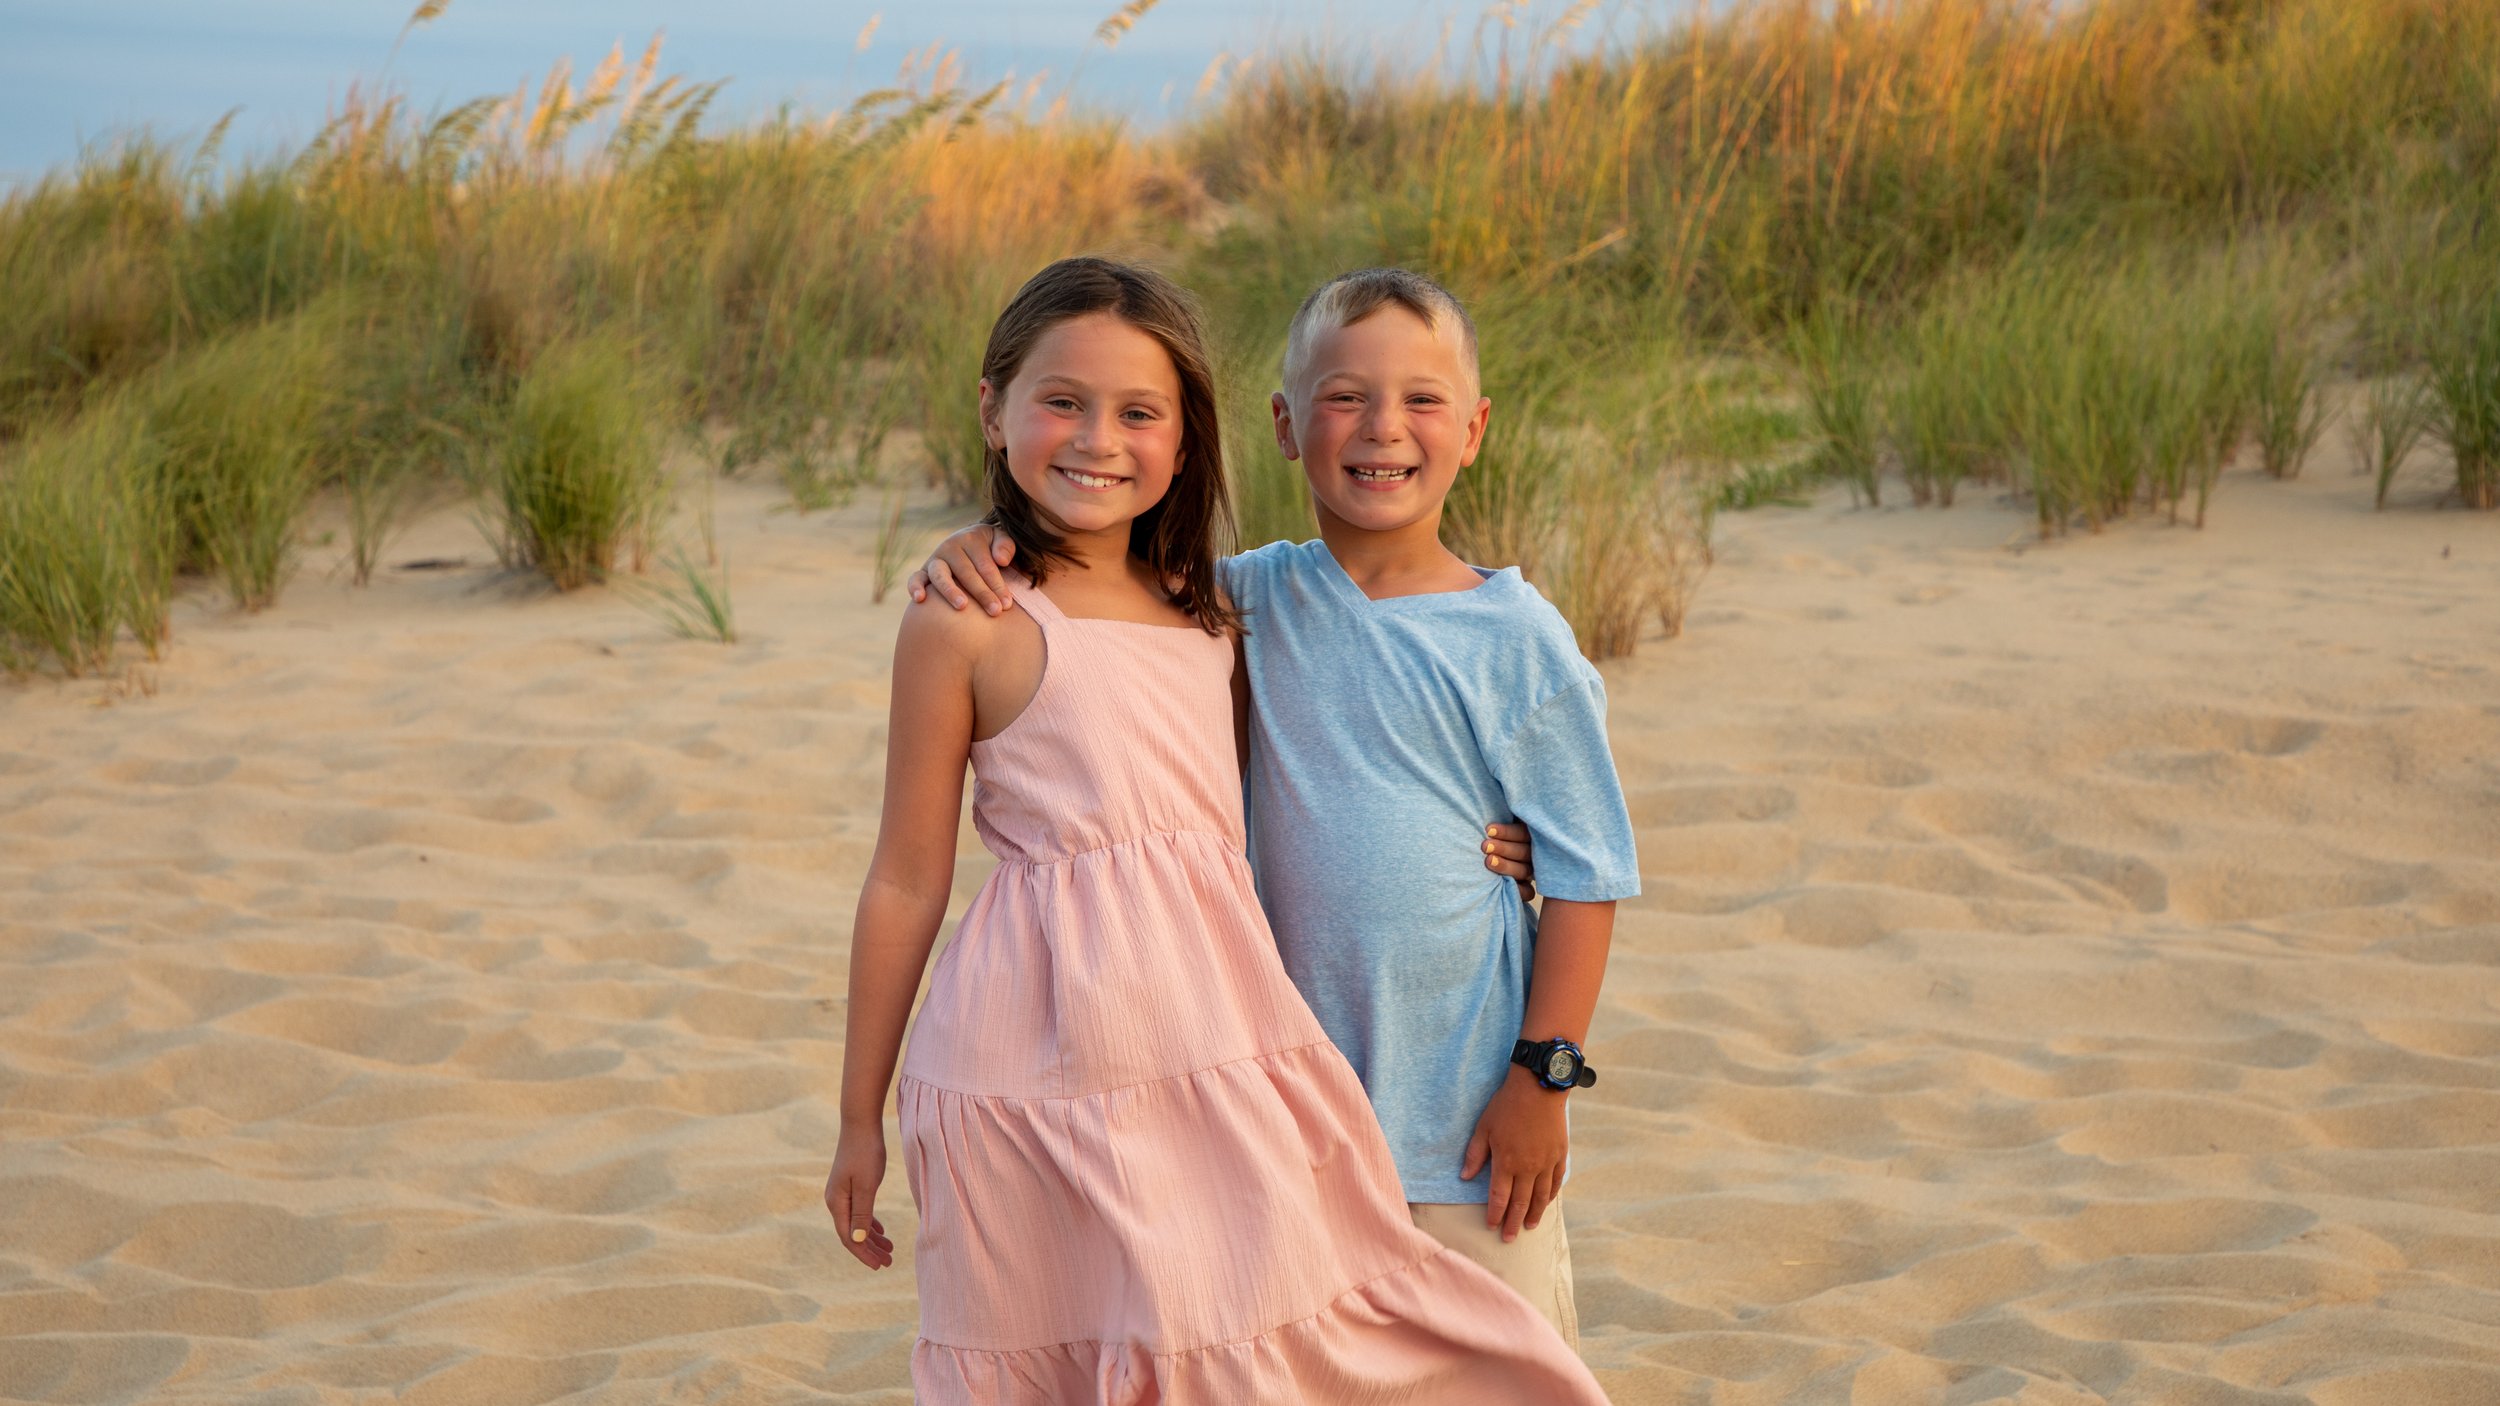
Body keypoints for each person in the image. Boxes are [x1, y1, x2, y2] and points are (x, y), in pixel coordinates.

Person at [827, 255, 1609, 1403]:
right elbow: (905, 878)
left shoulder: (1219, 607)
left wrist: (1510, 901)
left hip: (1243, 1053)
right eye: (1061, 402)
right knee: (1085, 1340)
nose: (1098, 437)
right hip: (1032, 1046)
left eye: (1139, 412)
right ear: (991, 411)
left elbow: (1449, 796)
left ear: (1184, 440)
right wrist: (859, 1114)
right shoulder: (1040, 613)